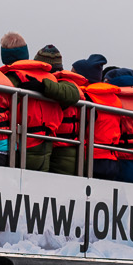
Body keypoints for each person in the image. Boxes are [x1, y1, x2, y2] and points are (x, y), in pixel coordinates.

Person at [0, 45, 82, 172]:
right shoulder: (57, 84)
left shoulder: (57, 83)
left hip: (30, 143)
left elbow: (73, 93)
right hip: (47, 144)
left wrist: (42, 86)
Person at [37, 45, 88, 176]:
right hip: (67, 147)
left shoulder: (61, 86)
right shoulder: (67, 84)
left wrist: (41, 86)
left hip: (62, 150)